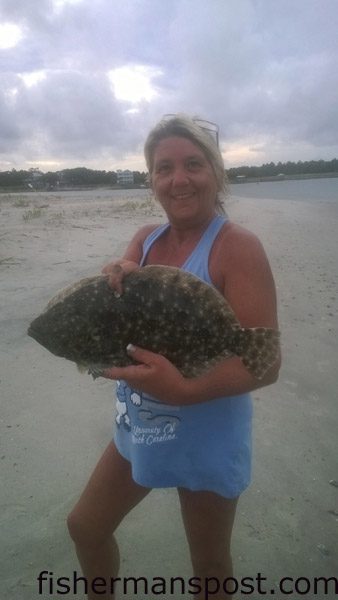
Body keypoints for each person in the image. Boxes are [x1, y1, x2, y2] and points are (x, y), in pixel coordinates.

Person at [67, 114, 281, 599]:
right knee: (85, 526)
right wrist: (117, 273)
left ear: (217, 172)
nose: (178, 179)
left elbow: (264, 361)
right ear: (152, 181)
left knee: (208, 566)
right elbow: (121, 310)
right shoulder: (145, 239)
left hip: (206, 434)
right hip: (137, 421)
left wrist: (184, 390)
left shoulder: (238, 248)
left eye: (193, 164)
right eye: (164, 168)